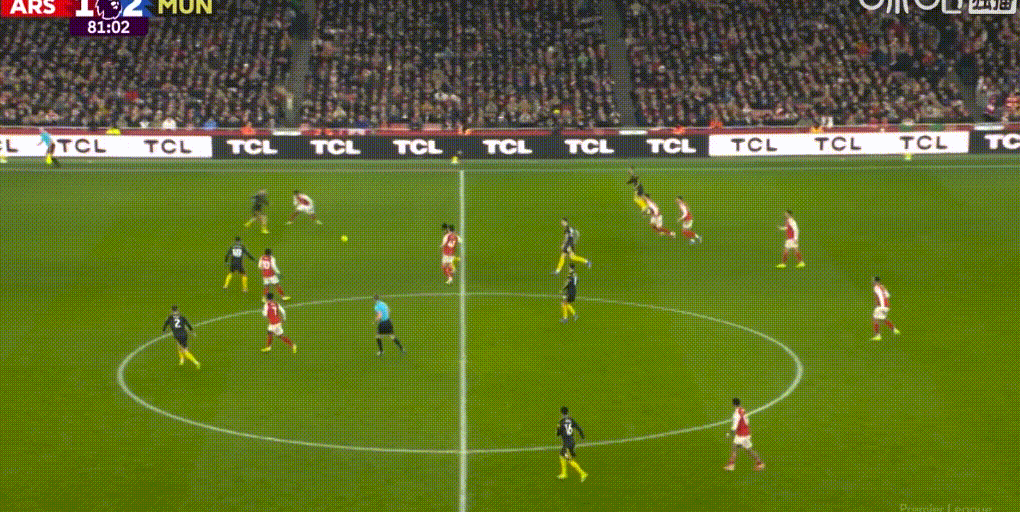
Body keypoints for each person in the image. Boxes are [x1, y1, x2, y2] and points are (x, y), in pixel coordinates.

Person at [725, 398, 764, 471]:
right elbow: (746, 421)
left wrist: (729, 433)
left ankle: (731, 465)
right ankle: (760, 463)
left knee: (734, 448)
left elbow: (734, 426)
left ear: (733, 404)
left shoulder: (736, 413)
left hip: (740, 434)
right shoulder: (742, 410)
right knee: (748, 449)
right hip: (746, 432)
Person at [556, 406, 588, 481]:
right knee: (561, 455)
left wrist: (558, 428)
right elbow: (578, 428)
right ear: (567, 412)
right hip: (571, 442)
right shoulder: (571, 420)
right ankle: (564, 474)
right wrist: (582, 435)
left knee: (569, 459)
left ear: (561, 413)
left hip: (567, 443)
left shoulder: (561, 422)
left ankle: (583, 473)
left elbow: (558, 434)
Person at [871, 276, 901, 341]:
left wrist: (881, 306)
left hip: (881, 306)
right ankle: (895, 330)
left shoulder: (876, 287)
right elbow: (887, 295)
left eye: (873, 281)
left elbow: (880, 296)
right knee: (883, 319)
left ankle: (878, 336)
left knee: (875, 319)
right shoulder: (882, 287)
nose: (873, 282)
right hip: (887, 305)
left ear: (875, 281)